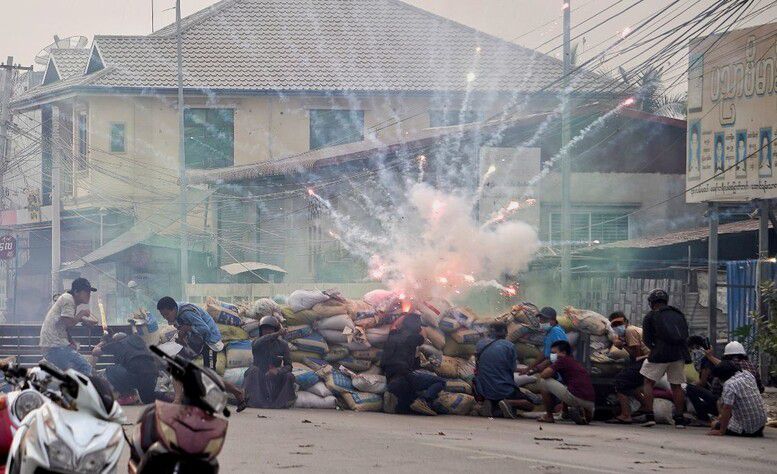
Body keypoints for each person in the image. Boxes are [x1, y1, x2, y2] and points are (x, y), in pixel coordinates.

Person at [156, 296, 246, 410]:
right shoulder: (176, 314)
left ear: (173, 309)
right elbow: (184, 329)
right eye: (163, 316)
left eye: (167, 314)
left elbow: (205, 329)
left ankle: (237, 392)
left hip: (209, 341)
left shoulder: (186, 312)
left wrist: (188, 328)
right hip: (196, 342)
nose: (166, 318)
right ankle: (177, 400)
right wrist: (182, 337)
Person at [639, 289, 689, 428]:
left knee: (648, 382)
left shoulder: (651, 316)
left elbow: (647, 339)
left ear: (651, 302)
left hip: (660, 354)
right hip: (679, 353)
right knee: (676, 385)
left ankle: (649, 416)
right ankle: (679, 419)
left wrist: (655, 348)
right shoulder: (678, 314)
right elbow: (685, 334)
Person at [381, 313, 445, 416]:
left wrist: (404, 315)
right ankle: (423, 400)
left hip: (391, 380)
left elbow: (393, 326)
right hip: (404, 377)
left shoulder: (392, 335)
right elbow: (423, 337)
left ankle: (404, 404)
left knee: (405, 407)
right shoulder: (413, 337)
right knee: (440, 382)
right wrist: (420, 325)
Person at [474, 322, 534, 419]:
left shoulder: (480, 343)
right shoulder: (509, 346)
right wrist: (527, 369)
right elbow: (512, 368)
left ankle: (491, 405)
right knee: (529, 404)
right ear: (505, 332)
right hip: (502, 389)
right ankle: (507, 403)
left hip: (482, 389)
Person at [39, 278, 99, 375]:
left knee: (73, 371)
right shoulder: (68, 299)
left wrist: (71, 342)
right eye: (86, 292)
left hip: (53, 346)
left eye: (89, 292)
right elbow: (69, 323)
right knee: (85, 367)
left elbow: (64, 325)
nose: (89, 295)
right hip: (55, 346)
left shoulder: (69, 299)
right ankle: (84, 389)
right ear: (76, 291)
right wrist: (82, 313)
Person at [92, 332, 161, 404]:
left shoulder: (118, 344)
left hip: (137, 376)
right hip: (153, 374)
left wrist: (103, 342)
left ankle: (127, 396)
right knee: (147, 399)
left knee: (110, 369)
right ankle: (170, 398)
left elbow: (94, 352)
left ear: (115, 340)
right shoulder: (138, 340)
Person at [242, 316, 296, 409]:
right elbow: (259, 342)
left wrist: (278, 371)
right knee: (253, 370)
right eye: (264, 329)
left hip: (274, 378)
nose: (267, 331)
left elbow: (289, 366)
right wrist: (276, 334)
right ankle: (255, 402)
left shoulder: (283, 345)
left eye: (270, 329)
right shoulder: (256, 342)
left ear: (275, 329)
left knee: (289, 376)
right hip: (259, 379)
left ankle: (281, 403)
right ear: (261, 330)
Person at [606, 311, 650, 424]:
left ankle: (626, 415)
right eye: (614, 325)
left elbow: (637, 355)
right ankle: (645, 406)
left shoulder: (630, 331)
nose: (617, 327)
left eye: (619, 323)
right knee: (631, 385)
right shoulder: (625, 334)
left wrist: (623, 345)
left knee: (620, 382)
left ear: (626, 322)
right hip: (646, 360)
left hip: (645, 360)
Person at [537, 340, 595, 425]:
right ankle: (573, 413)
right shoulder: (573, 362)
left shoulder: (562, 360)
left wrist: (547, 364)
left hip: (577, 397)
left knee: (543, 382)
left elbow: (544, 375)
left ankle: (549, 416)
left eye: (554, 353)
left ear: (563, 352)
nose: (552, 355)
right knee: (567, 387)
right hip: (590, 402)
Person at [708, 361, 767, 437]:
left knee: (714, 424)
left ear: (722, 376)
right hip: (761, 424)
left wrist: (721, 431)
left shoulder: (729, 385)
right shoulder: (747, 374)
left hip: (746, 429)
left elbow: (727, 408)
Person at [519, 307, 568, 377]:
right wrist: (529, 368)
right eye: (540, 319)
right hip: (553, 365)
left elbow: (561, 354)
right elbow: (545, 353)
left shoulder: (556, 331)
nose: (541, 321)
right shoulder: (549, 332)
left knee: (539, 377)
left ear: (553, 320)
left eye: (544, 319)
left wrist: (543, 364)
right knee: (530, 363)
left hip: (559, 369)